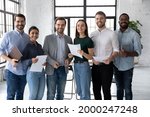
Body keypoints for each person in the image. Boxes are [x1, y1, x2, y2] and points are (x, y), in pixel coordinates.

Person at [90, 11, 119, 100]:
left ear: (105, 19)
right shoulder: (92, 34)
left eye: (101, 18)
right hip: (95, 66)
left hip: (107, 66)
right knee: (96, 90)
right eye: (97, 19)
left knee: (106, 90)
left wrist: (110, 59)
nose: (99, 20)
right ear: (95, 20)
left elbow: (116, 50)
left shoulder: (112, 33)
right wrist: (92, 59)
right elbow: (90, 51)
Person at [0, 14, 30, 100]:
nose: (20, 23)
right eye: (18, 21)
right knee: (10, 96)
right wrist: (10, 60)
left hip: (24, 72)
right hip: (11, 71)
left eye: (22, 21)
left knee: (20, 96)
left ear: (25, 22)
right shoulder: (8, 35)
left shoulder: (27, 37)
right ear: (14, 22)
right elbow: (0, 50)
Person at [113, 13, 142, 100]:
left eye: (125, 19)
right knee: (119, 89)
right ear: (119, 21)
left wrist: (127, 53)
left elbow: (138, 52)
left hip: (127, 67)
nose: (123, 21)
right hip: (116, 66)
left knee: (128, 89)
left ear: (128, 21)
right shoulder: (114, 34)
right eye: (122, 19)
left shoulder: (134, 34)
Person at [43, 17, 72, 100]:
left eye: (62, 25)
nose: (60, 26)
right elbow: (44, 52)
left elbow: (70, 54)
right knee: (51, 94)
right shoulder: (48, 38)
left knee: (61, 95)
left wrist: (68, 60)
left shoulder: (69, 39)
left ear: (65, 26)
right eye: (58, 24)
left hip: (63, 69)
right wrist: (52, 62)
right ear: (55, 25)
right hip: (51, 69)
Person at [68, 19, 94, 100]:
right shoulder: (75, 39)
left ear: (85, 27)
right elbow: (75, 54)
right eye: (78, 25)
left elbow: (91, 57)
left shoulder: (88, 40)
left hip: (84, 66)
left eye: (82, 25)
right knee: (79, 90)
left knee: (84, 91)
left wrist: (83, 53)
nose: (80, 27)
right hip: (75, 66)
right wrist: (70, 55)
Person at [21, 26, 45, 100]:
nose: (34, 35)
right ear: (29, 34)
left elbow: (42, 57)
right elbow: (22, 61)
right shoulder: (27, 46)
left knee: (40, 95)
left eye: (36, 33)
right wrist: (31, 60)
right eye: (32, 33)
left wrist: (44, 62)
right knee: (33, 95)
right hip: (32, 72)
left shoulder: (39, 46)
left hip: (41, 71)